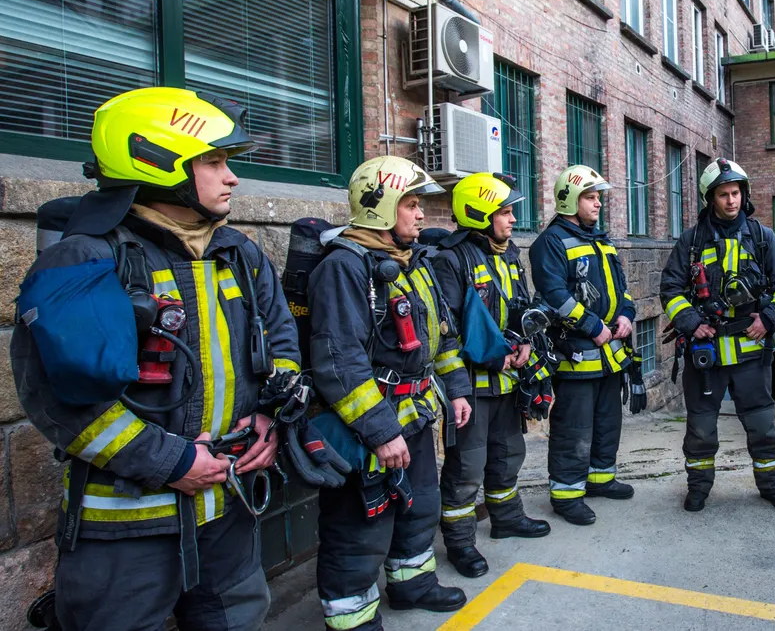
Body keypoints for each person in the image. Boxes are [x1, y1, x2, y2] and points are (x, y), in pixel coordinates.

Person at [11, 87, 301, 630]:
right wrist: (170, 461)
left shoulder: (238, 252)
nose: (231, 177)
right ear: (157, 161)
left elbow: (282, 341)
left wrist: (270, 418)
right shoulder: (87, 259)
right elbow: (58, 402)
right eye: (213, 163)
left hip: (227, 512)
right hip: (126, 532)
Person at [307, 155, 469, 631]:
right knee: (360, 524)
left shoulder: (411, 263)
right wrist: (379, 431)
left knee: (419, 504)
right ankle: (352, 619)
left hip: (414, 416)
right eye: (412, 204)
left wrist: (456, 389)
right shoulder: (344, 268)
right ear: (380, 207)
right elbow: (339, 363)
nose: (422, 215)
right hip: (366, 429)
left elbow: (444, 335)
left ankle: (412, 584)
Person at [424, 172, 552, 580]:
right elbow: (447, 329)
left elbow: (523, 303)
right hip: (473, 387)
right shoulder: (450, 259)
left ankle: (507, 517)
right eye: (505, 211)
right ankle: (460, 542)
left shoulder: (509, 252)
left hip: (509, 382)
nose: (513, 218)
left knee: (509, 453)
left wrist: (528, 342)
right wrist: (495, 360)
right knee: (466, 467)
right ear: (479, 213)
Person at [659, 158, 775, 513]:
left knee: (763, 426)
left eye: (736, 192)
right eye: (723, 194)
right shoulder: (691, 242)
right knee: (701, 428)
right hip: (707, 353)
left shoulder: (763, 238)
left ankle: (771, 486)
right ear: (711, 198)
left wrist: (769, 318)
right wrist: (691, 321)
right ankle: (698, 489)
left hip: (752, 349)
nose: (731, 200)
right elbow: (671, 289)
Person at [530, 166, 639, 525]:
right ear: (569, 200)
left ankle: (600, 478)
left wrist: (626, 313)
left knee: (608, 422)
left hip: (609, 353)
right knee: (573, 428)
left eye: (598, 198)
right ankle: (566, 493)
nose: (598, 204)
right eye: (591, 198)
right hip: (575, 354)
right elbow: (554, 295)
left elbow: (620, 287)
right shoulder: (551, 242)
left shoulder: (601, 239)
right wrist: (592, 325)